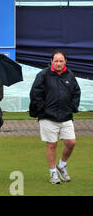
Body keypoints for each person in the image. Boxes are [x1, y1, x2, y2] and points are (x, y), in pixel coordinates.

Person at [29, 50, 81, 184]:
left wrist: (73, 107)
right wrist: (43, 109)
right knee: (52, 145)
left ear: (65, 62)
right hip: (48, 117)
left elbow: (76, 92)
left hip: (66, 116)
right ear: (52, 61)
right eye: (56, 61)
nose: (58, 63)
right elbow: (35, 94)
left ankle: (62, 165)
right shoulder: (43, 74)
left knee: (71, 143)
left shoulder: (70, 75)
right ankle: (53, 173)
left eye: (61, 61)